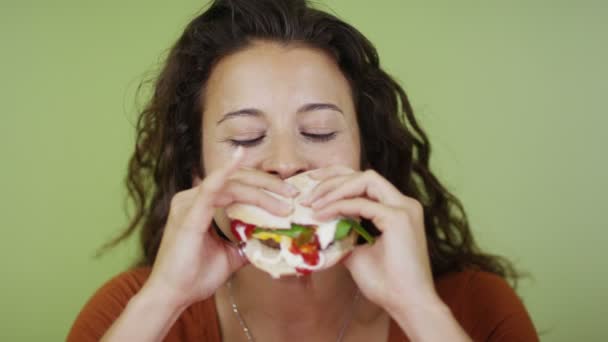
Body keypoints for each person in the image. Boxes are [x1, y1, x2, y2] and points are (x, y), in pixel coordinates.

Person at [68, 0, 539, 341]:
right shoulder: (128, 312)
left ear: (365, 157)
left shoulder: (478, 309)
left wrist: (418, 310)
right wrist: (163, 301)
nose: (286, 163)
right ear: (198, 173)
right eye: (246, 138)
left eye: (317, 131)